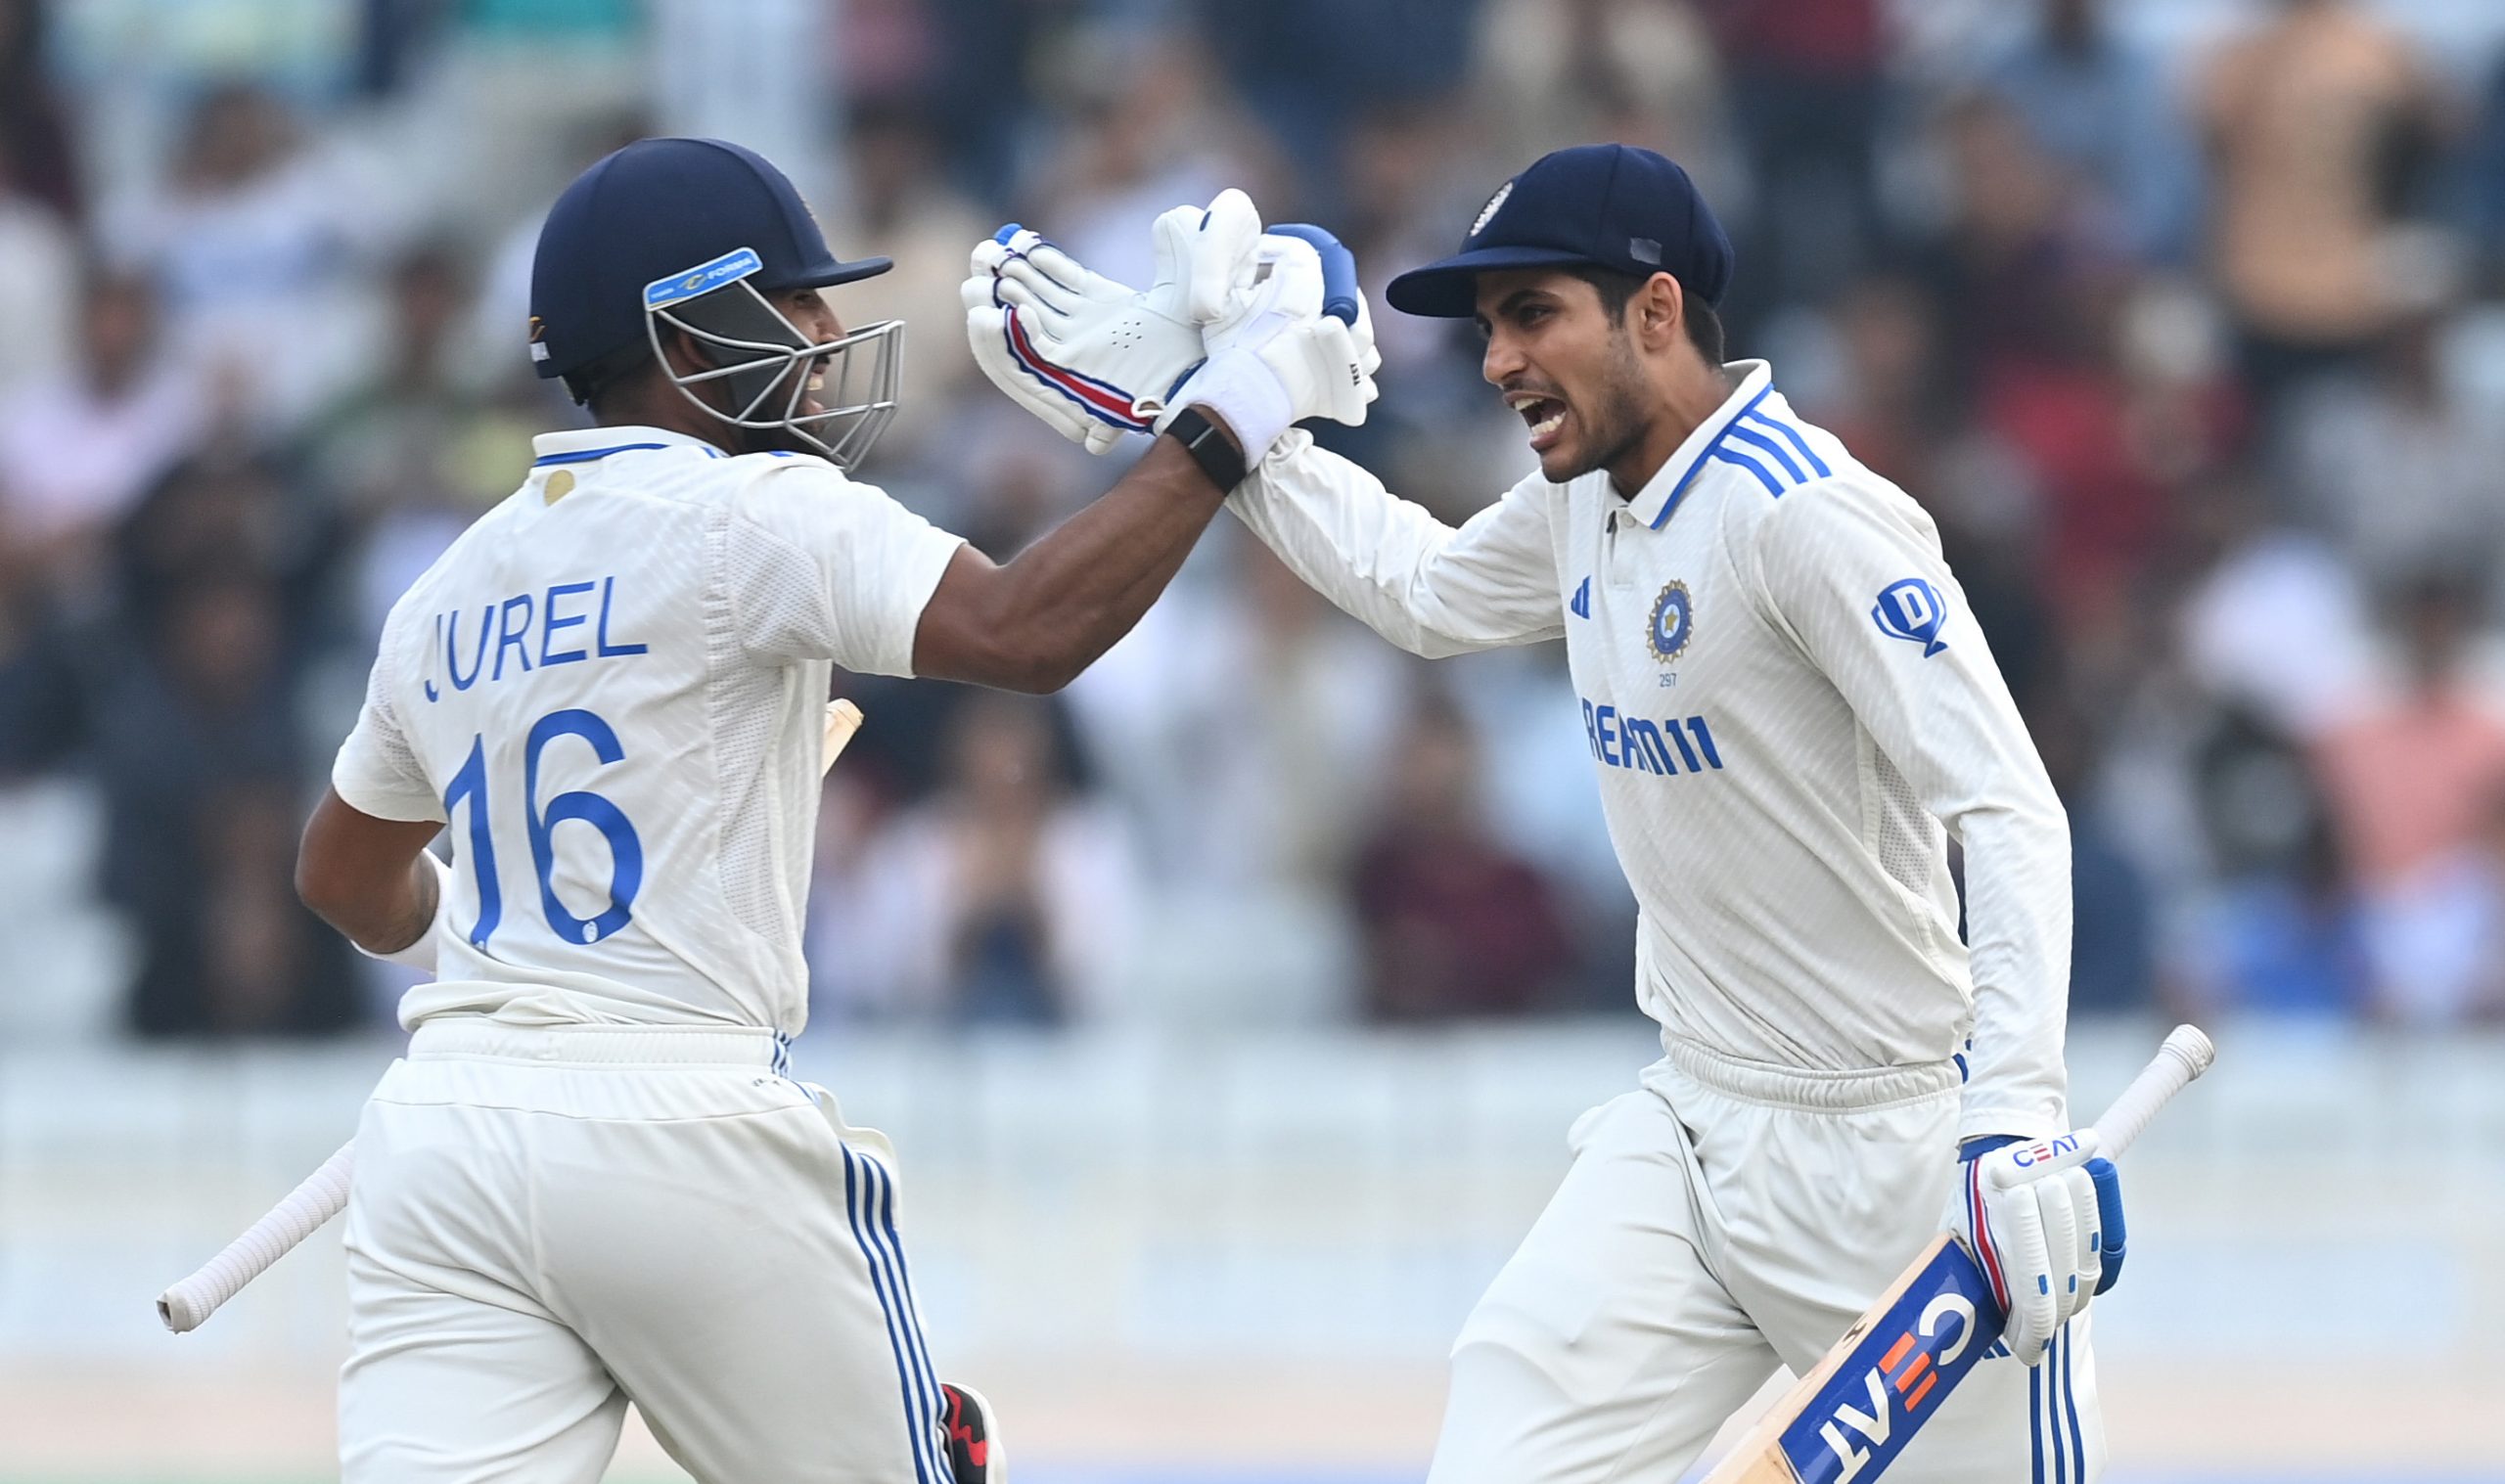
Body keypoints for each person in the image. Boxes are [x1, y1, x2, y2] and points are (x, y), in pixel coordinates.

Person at [971, 143, 2122, 1482]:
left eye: (1534, 315)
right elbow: (1424, 587)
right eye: (1492, 326)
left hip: (1896, 1156)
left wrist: (2013, 1119)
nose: (1500, 360)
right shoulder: (1590, 495)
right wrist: (1219, 419)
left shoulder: (1808, 518)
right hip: (1693, 1128)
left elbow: (2009, 806)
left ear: (1655, 311)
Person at [289, 136, 1372, 1481]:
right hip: (682, 1126)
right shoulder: (758, 510)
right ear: (683, 335)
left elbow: (342, 876)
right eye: (791, 303)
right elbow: (1029, 633)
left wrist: (500, 943)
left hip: (442, 1139)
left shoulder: (447, 583)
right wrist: (1231, 416)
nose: (822, 332)